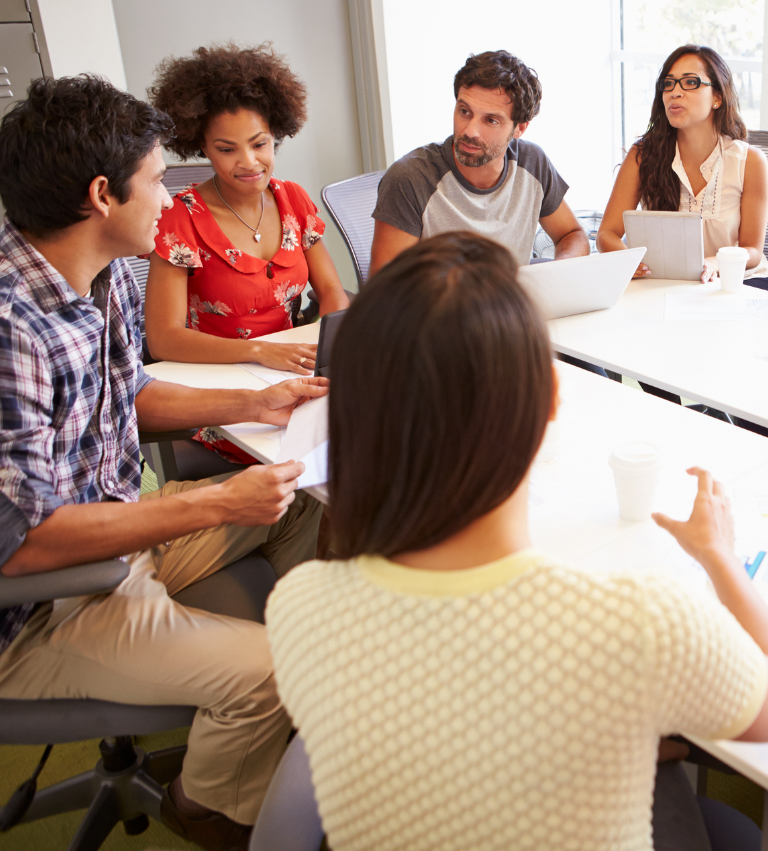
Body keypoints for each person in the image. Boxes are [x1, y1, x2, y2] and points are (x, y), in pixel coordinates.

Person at [266, 233, 768, 851]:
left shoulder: (298, 606)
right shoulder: (639, 624)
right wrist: (722, 561)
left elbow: (456, 708)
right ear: (553, 400)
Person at [0, 75, 327, 851]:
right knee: (274, 672)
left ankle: (293, 720)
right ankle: (206, 805)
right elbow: (24, 544)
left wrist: (254, 404)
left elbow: (129, 394)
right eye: (156, 179)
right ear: (103, 194)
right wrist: (215, 504)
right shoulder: (12, 328)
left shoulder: (92, 266)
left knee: (308, 500)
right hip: (44, 607)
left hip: (115, 540)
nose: (169, 194)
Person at [145, 43, 349, 463]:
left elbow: (331, 290)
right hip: (225, 392)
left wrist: (327, 351)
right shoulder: (180, 218)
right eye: (227, 149)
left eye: (260, 144)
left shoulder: (293, 199)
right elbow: (163, 339)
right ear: (200, 145)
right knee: (332, 458)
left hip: (292, 371)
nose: (249, 162)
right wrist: (260, 350)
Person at [369, 50, 590, 276]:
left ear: (520, 128)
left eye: (491, 120)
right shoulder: (410, 179)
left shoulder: (532, 163)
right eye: (464, 111)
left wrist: (556, 276)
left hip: (513, 307)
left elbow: (572, 235)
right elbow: (386, 290)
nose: (470, 131)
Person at [598, 44, 768, 287]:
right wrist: (629, 259)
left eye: (690, 83)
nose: (674, 92)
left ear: (717, 97)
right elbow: (607, 234)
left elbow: (753, 251)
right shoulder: (642, 156)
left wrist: (713, 263)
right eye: (668, 84)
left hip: (735, 284)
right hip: (664, 285)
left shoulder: (750, 162)